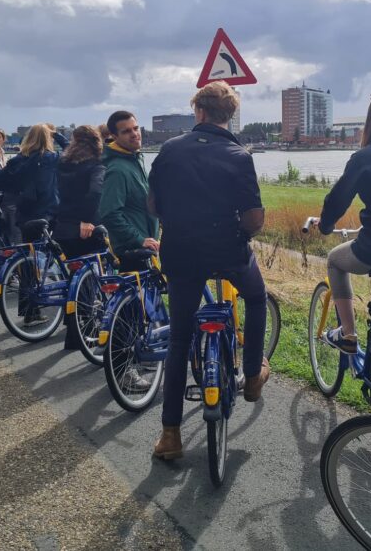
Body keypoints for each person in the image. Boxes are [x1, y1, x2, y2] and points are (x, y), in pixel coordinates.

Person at [147, 82, 269, 460]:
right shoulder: (239, 155)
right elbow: (252, 219)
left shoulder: (168, 150)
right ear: (228, 115)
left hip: (181, 252)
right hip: (227, 251)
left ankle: (170, 436)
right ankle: (251, 376)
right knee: (256, 296)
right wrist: (242, 230)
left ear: (198, 111)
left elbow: (153, 206)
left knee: (180, 338)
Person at [316, 91, 371, 353]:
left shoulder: (365, 157)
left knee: (334, 260)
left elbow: (338, 199)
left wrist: (326, 224)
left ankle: (348, 334)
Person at [96, 111, 159, 262]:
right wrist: (139, 239)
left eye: (136, 128)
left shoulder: (134, 159)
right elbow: (109, 213)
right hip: (132, 252)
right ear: (114, 136)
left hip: (147, 248)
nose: (134, 134)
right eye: (126, 131)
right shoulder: (117, 170)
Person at [0, 123, 66, 242]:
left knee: (28, 248)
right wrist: (56, 134)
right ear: (47, 139)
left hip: (25, 211)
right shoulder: (52, 158)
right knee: (47, 249)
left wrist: (15, 191)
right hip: (48, 211)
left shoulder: (18, 159)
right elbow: (70, 149)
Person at [53, 125, 106, 259]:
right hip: (86, 228)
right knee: (93, 269)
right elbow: (95, 192)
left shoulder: (63, 163)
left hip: (63, 224)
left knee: (70, 270)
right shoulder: (96, 165)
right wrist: (86, 219)